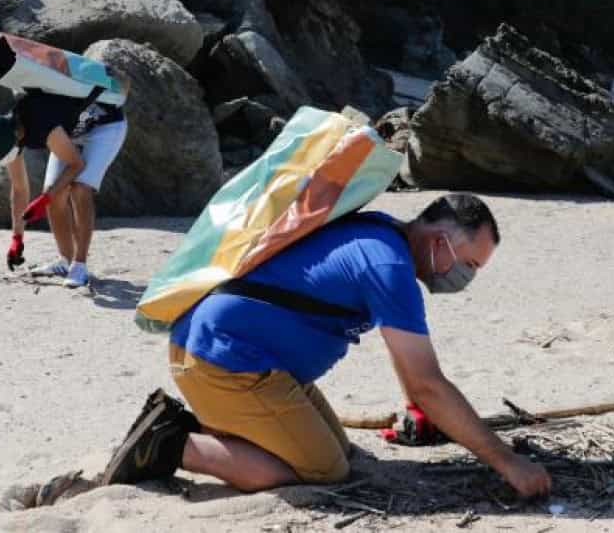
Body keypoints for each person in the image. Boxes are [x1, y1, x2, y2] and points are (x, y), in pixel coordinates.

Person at [99, 194, 552, 499]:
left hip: (241, 358)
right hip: (224, 363)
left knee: (342, 452)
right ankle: (170, 444)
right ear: (439, 241)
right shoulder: (387, 264)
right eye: (468, 263)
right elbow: (428, 382)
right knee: (322, 471)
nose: (465, 277)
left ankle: (216, 427)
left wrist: (418, 408)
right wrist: (505, 461)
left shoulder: (380, 234)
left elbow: (410, 368)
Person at [0, 74, 129, 287]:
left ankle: (79, 266)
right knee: (55, 193)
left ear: (13, 137)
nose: (3, 158)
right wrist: (17, 238)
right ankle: (65, 261)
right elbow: (19, 189)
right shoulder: (7, 134)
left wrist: (44, 199)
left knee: (80, 188)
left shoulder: (39, 123)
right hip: (69, 133)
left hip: (105, 127)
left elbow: (77, 165)